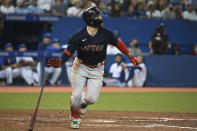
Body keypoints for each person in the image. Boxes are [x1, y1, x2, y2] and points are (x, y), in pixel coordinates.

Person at [47, 7, 138, 129]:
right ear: (90, 19)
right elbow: (68, 52)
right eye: (96, 16)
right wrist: (59, 62)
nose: (100, 18)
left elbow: (118, 43)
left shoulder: (106, 33)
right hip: (80, 66)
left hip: (97, 69)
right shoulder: (78, 35)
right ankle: (75, 118)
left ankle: (83, 104)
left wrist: (130, 56)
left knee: (91, 99)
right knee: (76, 96)